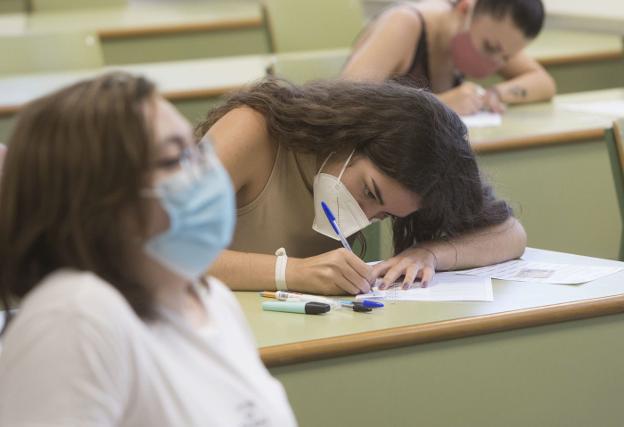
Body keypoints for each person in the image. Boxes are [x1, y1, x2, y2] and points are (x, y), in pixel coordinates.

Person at [0, 72, 296, 426]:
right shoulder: (76, 315)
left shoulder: (212, 299)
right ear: (99, 199)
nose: (205, 173)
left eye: (196, 152)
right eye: (174, 160)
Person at [197, 78, 527, 295]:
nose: (363, 215)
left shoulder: (398, 189)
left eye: (382, 215)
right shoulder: (252, 129)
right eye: (369, 192)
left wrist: (428, 254)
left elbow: (510, 234)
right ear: (351, 134)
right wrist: (292, 272)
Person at [342, 0, 556, 115]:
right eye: (489, 47)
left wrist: (494, 94)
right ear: (465, 9)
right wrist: (438, 104)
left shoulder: (496, 37)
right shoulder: (404, 24)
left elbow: (543, 82)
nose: (494, 62)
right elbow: (344, 100)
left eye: (506, 57)